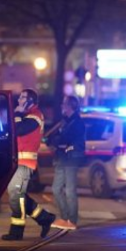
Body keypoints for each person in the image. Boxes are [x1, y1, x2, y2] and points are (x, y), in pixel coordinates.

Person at [2, 89, 55, 241]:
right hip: (18, 162)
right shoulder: (27, 116)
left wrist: (17, 113)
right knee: (18, 195)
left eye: (22, 98)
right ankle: (44, 218)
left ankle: (17, 231)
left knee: (15, 195)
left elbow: (19, 130)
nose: (19, 100)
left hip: (25, 163)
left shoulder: (35, 116)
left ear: (30, 101)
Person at [48, 95, 86, 231]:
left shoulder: (77, 123)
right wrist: (55, 141)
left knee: (70, 190)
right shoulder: (65, 121)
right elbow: (56, 138)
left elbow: (66, 139)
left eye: (64, 103)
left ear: (71, 106)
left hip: (71, 158)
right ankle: (64, 217)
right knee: (56, 189)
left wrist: (56, 141)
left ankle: (72, 220)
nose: (61, 106)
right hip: (62, 158)